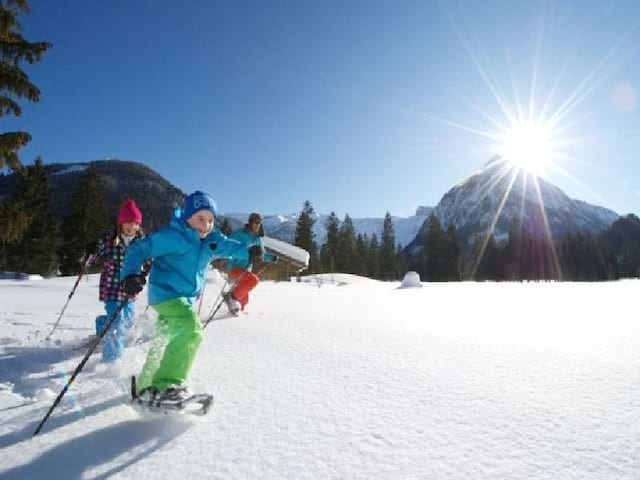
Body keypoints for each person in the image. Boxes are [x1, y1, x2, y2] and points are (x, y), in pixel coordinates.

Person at [119, 191, 261, 402]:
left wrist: (249, 252)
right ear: (187, 217)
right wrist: (129, 275)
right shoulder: (173, 236)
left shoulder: (211, 239)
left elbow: (229, 246)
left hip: (184, 299)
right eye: (200, 219)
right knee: (191, 330)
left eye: (211, 220)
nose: (206, 225)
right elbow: (139, 248)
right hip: (166, 294)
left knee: (163, 339)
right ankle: (166, 385)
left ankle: (145, 386)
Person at [89, 199, 144, 363]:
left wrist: (142, 276)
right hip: (112, 287)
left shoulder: (142, 243)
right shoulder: (109, 240)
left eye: (134, 222)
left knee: (127, 321)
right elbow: (94, 256)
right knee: (117, 322)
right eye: (127, 222)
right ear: (121, 223)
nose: (131, 226)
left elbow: (148, 262)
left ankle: (101, 324)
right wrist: (89, 254)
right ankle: (111, 361)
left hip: (130, 288)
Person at [224, 212, 278, 315]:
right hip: (235, 268)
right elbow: (227, 246)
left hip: (246, 270)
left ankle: (233, 318)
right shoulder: (240, 234)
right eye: (255, 222)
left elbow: (261, 255)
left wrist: (271, 258)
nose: (258, 225)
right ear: (250, 222)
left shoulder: (258, 239)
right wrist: (246, 252)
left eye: (259, 223)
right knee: (253, 280)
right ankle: (230, 297)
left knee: (244, 302)